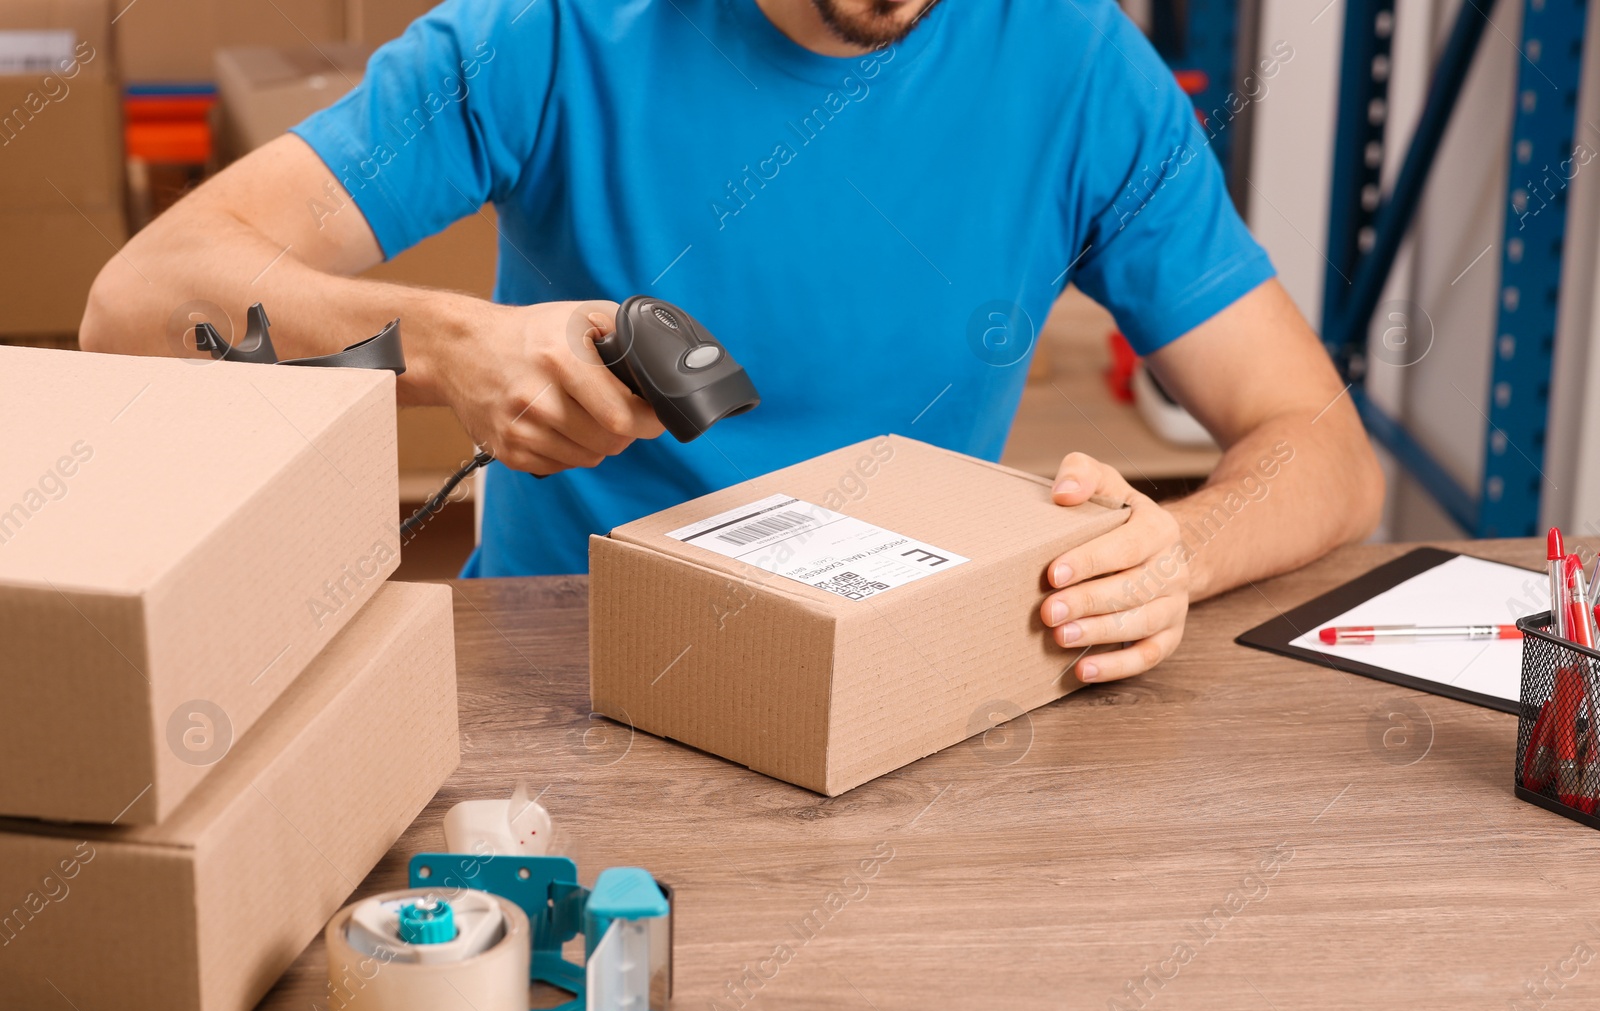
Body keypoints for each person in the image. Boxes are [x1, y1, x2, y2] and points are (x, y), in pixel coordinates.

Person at [80, 0, 1384, 685]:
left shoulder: (1080, 64)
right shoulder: (549, 31)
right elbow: (138, 304)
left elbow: (1326, 452)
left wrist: (1176, 555)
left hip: (909, 672)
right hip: (560, 662)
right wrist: (450, 345)